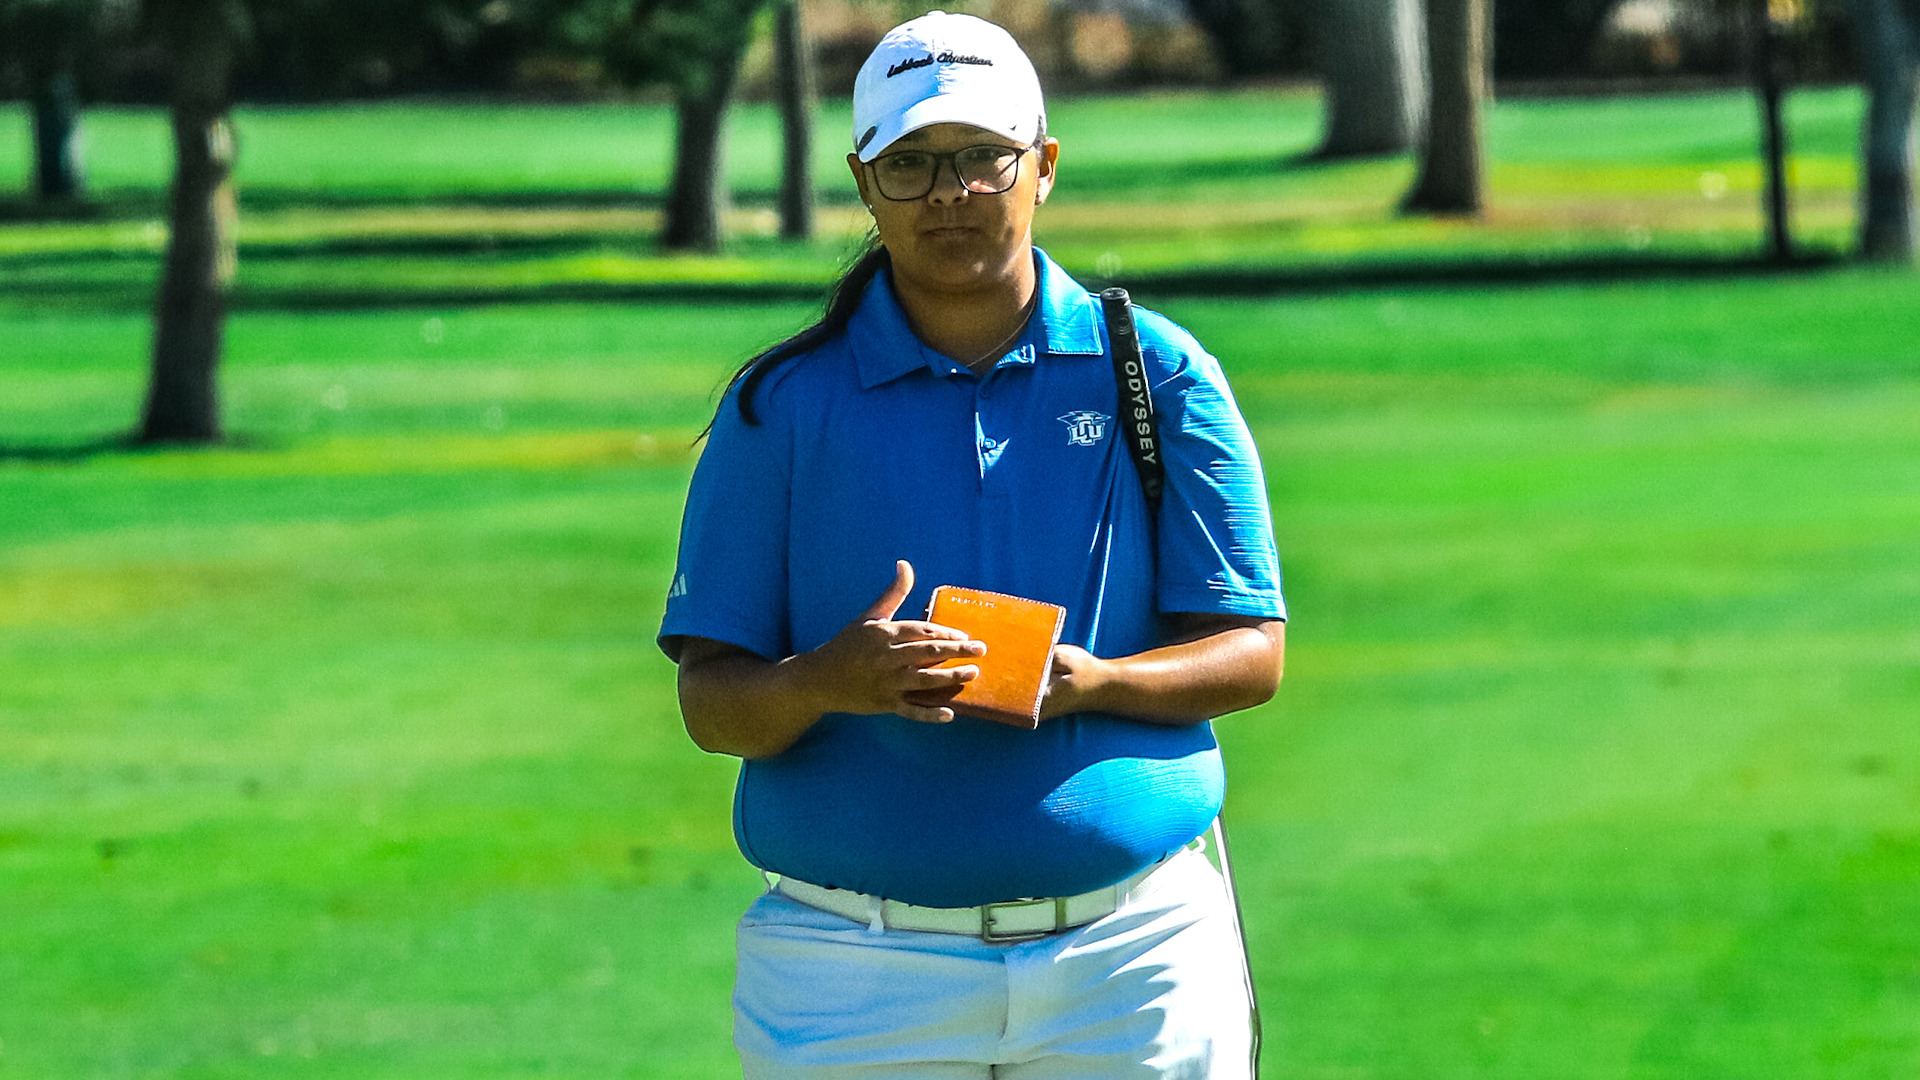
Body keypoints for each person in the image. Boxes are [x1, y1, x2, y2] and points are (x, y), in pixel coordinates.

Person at [658, 11, 1287, 1078]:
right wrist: (827, 680)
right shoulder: (780, 407)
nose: (948, 191)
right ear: (863, 182)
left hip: (1131, 959)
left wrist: (1091, 683)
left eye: (980, 158)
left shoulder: (1160, 374)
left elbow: (1250, 652)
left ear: (1041, 165)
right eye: (908, 164)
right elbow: (713, 705)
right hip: (850, 970)